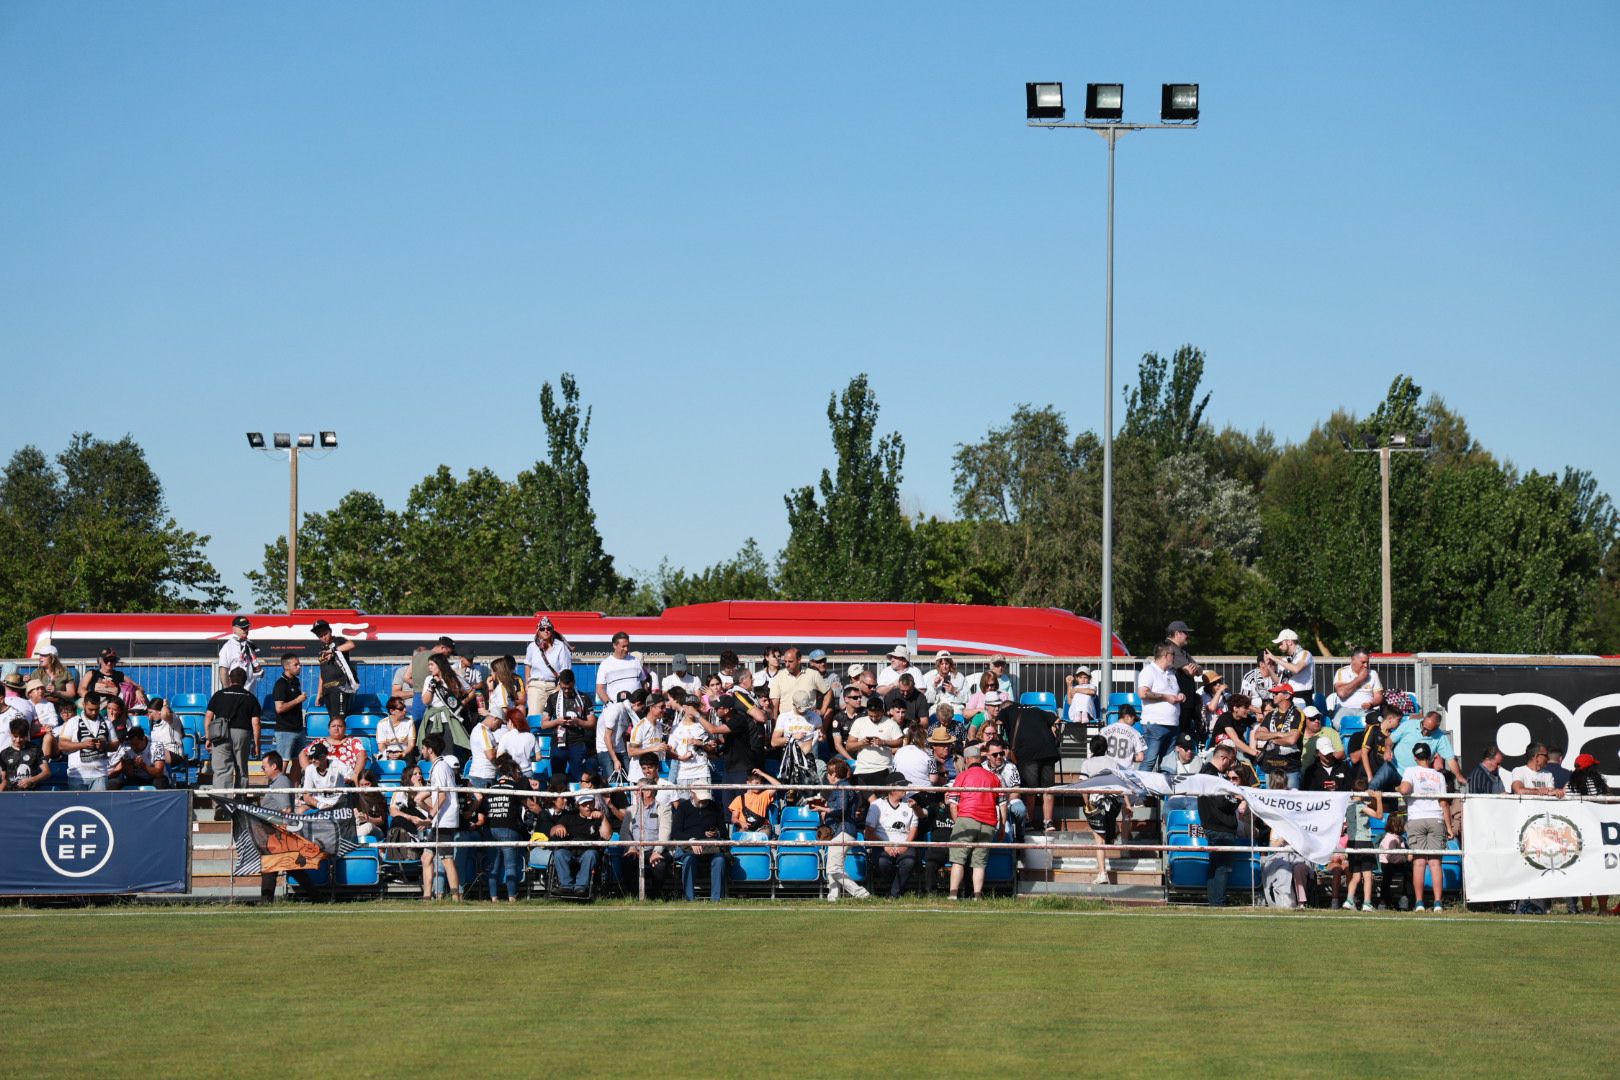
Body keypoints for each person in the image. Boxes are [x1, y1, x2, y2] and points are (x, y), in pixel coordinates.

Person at [1398, 743, 1453, 912]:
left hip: (1417, 818)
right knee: (1436, 863)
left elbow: (1405, 789)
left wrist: (1398, 788)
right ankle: (1437, 903)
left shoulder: (1410, 771)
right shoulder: (1439, 776)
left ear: (1415, 757)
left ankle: (1419, 903)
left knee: (1419, 863)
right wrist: (1449, 827)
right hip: (1436, 818)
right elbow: (1443, 803)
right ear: (1430, 757)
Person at [946, 745, 1001, 900]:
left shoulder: (962, 776)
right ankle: (977, 895)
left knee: (958, 860)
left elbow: (953, 801)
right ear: (980, 759)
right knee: (979, 863)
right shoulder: (993, 777)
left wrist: (958, 821)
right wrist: (1001, 826)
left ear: (968, 760)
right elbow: (1002, 804)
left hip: (966, 818)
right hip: (989, 822)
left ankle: (953, 894)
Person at [813, 759, 873, 902]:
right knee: (831, 867)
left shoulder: (842, 788)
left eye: (828, 774)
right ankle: (832, 898)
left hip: (844, 830)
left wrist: (823, 809)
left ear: (833, 774)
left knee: (833, 867)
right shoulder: (844, 787)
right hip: (842, 830)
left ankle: (861, 894)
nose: (827, 777)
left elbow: (842, 809)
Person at [1199, 743, 1249, 908]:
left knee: (1217, 867)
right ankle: (1217, 903)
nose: (1231, 766)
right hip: (1219, 827)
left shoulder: (1210, 773)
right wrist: (1238, 799)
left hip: (1218, 826)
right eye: (1231, 761)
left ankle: (1215, 902)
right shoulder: (1212, 775)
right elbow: (1222, 801)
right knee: (1221, 868)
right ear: (1223, 758)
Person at [204, 668, 260, 814]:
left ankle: (221, 806)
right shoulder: (250, 697)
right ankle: (240, 803)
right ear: (245, 680)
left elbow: (208, 717)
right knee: (241, 769)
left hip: (220, 734)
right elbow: (256, 723)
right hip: (242, 733)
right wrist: (257, 744)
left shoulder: (219, 695)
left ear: (230, 679)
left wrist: (208, 737)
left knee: (222, 770)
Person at [1004, 698, 1062, 833]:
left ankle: (1029, 822)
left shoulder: (1007, 711)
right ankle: (1048, 822)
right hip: (1048, 750)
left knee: (1030, 789)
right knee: (1048, 789)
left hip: (1028, 752)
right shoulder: (1036, 710)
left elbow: (998, 722)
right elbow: (1056, 720)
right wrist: (1054, 732)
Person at [614, 779, 673, 898]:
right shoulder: (631, 810)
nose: (635, 793)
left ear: (648, 792)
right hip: (635, 849)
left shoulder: (663, 809)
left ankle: (655, 896)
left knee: (659, 864)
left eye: (638, 790)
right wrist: (631, 847)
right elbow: (624, 832)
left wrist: (657, 851)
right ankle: (634, 896)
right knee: (627, 860)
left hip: (655, 849)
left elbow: (665, 832)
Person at [421, 733, 462, 900]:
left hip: (444, 820)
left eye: (423, 748)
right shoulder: (441, 766)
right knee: (426, 857)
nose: (422, 751)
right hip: (441, 819)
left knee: (446, 859)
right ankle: (427, 896)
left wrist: (432, 812)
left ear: (430, 750)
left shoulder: (439, 767)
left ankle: (455, 897)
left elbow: (443, 794)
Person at [482, 756, 527, 902]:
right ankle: (512, 897)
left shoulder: (491, 787)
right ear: (512, 772)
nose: (519, 774)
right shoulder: (515, 787)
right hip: (508, 828)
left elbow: (484, 809)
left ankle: (493, 898)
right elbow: (530, 805)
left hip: (491, 828)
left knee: (493, 866)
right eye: (518, 771)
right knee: (510, 865)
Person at [1136, 643, 1184, 775]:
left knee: (1167, 765)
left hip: (1172, 725)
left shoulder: (1171, 674)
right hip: (1155, 724)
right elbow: (1143, 693)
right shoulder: (1149, 671)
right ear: (1165, 655)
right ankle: (1141, 794)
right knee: (1149, 761)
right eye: (1173, 655)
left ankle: (1162, 794)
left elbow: (1173, 693)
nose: (1174, 657)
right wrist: (1166, 697)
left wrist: (1179, 695)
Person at [671, 790, 727, 901]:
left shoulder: (715, 807)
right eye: (701, 798)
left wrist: (716, 833)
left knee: (720, 860)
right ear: (692, 794)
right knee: (688, 859)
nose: (704, 801)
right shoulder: (682, 808)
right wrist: (692, 840)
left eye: (706, 798)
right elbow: (676, 833)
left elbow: (724, 833)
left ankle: (717, 900)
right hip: (689, 847)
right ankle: (689, 899)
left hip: (711, 848)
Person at [865, 784, 919, 898]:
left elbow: (914, 829)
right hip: (882, 845)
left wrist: (905, 845)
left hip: (904, 843)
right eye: (902, 786)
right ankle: (897, 891)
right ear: (892, 789)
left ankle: (893, 894)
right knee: (882, 863)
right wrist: (885, 846)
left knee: (909, 861)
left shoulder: (910, 804)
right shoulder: (877, 805)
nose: (906, 789)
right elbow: (869, 833)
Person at [421, 652, 477, 760]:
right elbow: (426, 701)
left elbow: (471, 692)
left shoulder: (454, 678)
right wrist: (431, 687)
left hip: (449, 719)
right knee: (431, 750)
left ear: (440, 664)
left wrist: (464, 702)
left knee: (448, 751)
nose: (430, 668)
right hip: (433, 719)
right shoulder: (429, 679)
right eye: (429, 665)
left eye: (432, 664)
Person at [541, 669, 594, 782]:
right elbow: (544, 724)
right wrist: (557, 722)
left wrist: (578, 722)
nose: (566, 691)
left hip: (577, 743)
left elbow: (592, 723)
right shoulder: (553, 698)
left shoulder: (584, 698)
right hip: (558, 743)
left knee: (578, 778)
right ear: (559, 683)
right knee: (557, 779)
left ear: (574, 682)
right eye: (563, 688)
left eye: (568, 688)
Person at [1254, 683, 1305, 789]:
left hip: (1289, 766)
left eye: (1277, 693)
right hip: (1269, 765)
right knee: (1270, 800)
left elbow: (1292, 740)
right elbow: (1258, 735)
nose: (1273, 695)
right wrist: (1278, 734)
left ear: (1287, 696)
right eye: (1273, 693)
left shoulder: (1297, 714)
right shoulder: (1270, 714)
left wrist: (1271, 739)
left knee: (1292, 799)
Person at [848, 695, 904, 791]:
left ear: (882, 711)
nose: (874, 718)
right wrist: (861, 743)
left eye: (877, 716)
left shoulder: (891, 724)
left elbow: (900, 741)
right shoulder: (859, 722)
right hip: (862, 769)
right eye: (871, 716)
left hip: (882, 769)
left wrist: (883, 742)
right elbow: (849, 746)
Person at [309, 619, 359, 720]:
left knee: (339, 719)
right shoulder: (321, 651)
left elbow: (351, 645)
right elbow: (322, 673)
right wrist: (319, 693)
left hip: (340, 687)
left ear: (330, 631)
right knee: (333, 720)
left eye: (325, 634)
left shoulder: (339, 641)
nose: (324, 637)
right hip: (327, 690)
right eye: (320, 636)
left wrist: (333, 650)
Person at [524, 617, 573, 714]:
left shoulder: (560, 646)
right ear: (538, 631)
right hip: (536, 685)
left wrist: (560, 686)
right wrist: (527, 683)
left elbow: (565, 669)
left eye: (548, 629)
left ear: (552, 631)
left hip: (554, 685)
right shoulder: (532, 647)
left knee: (557, 715)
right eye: (542, 629)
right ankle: (535, 730)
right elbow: (528, 665)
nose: (546, 631)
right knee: (534, 716)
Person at [1348, 705, 1403, 791]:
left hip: (1383, 778)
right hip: (1367, 777)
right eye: (1398, 720)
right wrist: (1370, 776)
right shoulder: (1374, 730)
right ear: (1390, 718)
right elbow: (1364, 753)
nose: (1400, 723)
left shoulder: (1393, 736)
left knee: (1388, 803)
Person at [270, 655, 308, 778]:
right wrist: (297, 700)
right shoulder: (281, 684)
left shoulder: (296, 682)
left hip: (298, 728)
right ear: (286, 666)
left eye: (299, 664)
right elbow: (279, 708)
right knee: (283, 762)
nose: (299, 667)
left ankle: (294, 792)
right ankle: (277, 792)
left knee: (297, 763)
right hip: (285, 730)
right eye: (296, 665)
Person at [1165, 620, 1203, 740]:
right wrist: (1191, 669)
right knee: (1179, 734)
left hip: (1186, 700)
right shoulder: (1169, 648)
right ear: (1177, 634)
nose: (1188, 636)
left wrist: (1194, 668)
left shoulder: (1182, 651)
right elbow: (1189, 670)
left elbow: (1199, 670)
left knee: (1185, 732)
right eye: (1186, 633)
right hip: (1179, 700)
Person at [301, 714, 368, 782]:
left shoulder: (353, 741)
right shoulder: (320, 742)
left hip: (347, 780)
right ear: (328, 729)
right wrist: (311, 773)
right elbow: (303, 754)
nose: (336, 728)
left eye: (340, 726)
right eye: (333, 726)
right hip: (322, 780)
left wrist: (355, 776)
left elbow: (363, 756)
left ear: (345, 728)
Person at [78, 649, 147, 711]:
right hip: (95, 700)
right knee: (80, 702)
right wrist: (93, 699)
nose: (109, 663)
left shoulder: (119, 675)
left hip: (112, 703)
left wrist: (137, 690)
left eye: (112, 660)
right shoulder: (92, 673)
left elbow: (139, 687)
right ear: (100, 661)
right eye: (106, 660)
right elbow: (81, 689)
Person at [1332, 647, 1384, 724]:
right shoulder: (1342, 672)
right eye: (1363, 662)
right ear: (1353, 660)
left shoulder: (1373, 674)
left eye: (1367, 662)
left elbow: (1379, 696)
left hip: (1367, 710)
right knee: (1338, 723)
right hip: (1345, 709)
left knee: (1377, 722)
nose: (1366, 665)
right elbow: (1341, 693)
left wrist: (1371, 704)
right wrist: (1360, 678)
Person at [984, 740, 1025, 833]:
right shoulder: (982, 769)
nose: (999, 757)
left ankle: (1019, 838)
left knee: (1020, 809)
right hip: (989, 802)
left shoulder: (1011, 767)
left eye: (1001, 753)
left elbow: (1016, 791)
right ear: (988, 756)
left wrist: (1004, 803)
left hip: (1009, 800)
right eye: (995, 754)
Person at [595, 632, 646, 706]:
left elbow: (644, 684)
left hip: (636, 708)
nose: (626, 649)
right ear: (614, 645)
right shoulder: (605, 664)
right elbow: (600, 689)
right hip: (616, 709)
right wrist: (609, 704)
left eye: (627, 646)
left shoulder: (635, 661)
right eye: (623, 646)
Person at [217, 615, 264, 695]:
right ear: (234, 629)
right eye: (243, 628)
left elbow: (254, 665)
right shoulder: (228, 647)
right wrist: (228, 691)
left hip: (249, 692)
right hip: (235, 693)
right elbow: (223, 670)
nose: (246, 630)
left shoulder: (249, 645)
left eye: (247, 627)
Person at [1210, 693, 1263, 762]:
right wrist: (1254, 753)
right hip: (1220, 749)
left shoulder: (1245, 718)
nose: (1248, 710)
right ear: (1235, 708)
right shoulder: (1225, 717)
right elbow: (1236, 741)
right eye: (1245, 708)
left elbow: (1261, 720)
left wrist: (1261, 717)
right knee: (1245, 760)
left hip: (1237, 749)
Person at [0, 717, 47, 791]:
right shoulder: (4, 753)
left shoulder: (35, 749)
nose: (18, 740)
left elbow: (46, 772)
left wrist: (31, 780)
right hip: (12, 796)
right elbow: (4, 779)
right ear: (10, 734)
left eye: (21, 737)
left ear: (26, 735)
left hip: (32, 794)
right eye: (15, 736)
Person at [1266, 629, 1315, 697]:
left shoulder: (1305, 653)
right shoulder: (1285, 660)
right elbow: (1279, 682)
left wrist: (1275, 659)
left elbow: (1297, 669)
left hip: (1302, 696)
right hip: (1287, 696)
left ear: (1289, 642)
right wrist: (1268, 668)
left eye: (1281, 643)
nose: (1279, 647)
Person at [495, 707, 539, 779]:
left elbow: (499, 757)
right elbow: (538, 757)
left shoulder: (505, 737)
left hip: (511, 773)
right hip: (528, 772)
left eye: (507, 722)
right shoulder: (531, 736)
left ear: (510, 722)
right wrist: (527, 758)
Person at [466, 707, 503, 789]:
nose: (499, 727)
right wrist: (501, 746)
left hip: (482, 775)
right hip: (483, 776)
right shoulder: (483, 731)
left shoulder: (482, 730)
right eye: (500, 724)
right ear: (495, 719)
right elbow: (490, 755)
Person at [377, 696, 417, 761]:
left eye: (404, 707)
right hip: (388, 754)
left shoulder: (409, 722)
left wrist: (403, 753)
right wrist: (388, 755)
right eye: (401, 708)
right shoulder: (382, 724)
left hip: (405, 753)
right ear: (392, 711)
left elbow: (411, 744)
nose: (405, 710)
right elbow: (381, 746)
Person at [485, 655, 525, 719]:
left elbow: (522, 700)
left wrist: (510, 702)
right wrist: (490, 689)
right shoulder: (492, 679)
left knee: (521, 708)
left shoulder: (516, 679)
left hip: (502, 715)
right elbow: (490, 702)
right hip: (496, 711)